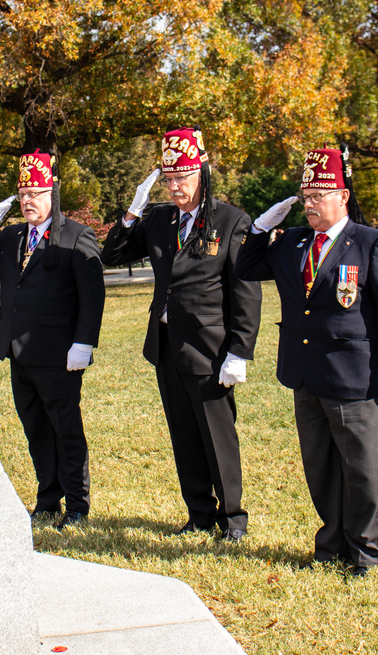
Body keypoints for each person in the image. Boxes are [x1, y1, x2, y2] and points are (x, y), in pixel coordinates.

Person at [235, 145, 378, 577]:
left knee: (362, 470)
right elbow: (246, 267)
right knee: (320, 468)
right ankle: (331, 544)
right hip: (305, 373)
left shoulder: (373, 243)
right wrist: (261, 227)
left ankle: (367, 553)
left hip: (355, 376)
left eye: (320, 195)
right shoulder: (294, 241)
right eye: (306, 195)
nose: (311, 204)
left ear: (343, 197)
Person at [100, 128, 261, 542]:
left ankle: (233, 519)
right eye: (168, 180)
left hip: (210, 348)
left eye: (183, 178)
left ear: (202, 174)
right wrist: (132, 214)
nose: (175, 188)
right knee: (184, 433)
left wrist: (240, 351)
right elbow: (111, 255)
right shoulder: (158, 219)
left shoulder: (230, 220)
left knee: (217, 435)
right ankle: (199, 513)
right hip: (167, 344)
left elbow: (246, 293)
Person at [0, 150, 105, 530]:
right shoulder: (10, 236)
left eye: (36, 193)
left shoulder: (76, 235)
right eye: (23, 194)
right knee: (35, 429)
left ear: (52, 193)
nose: (29, 201)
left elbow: (93, 296)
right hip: (17, 351)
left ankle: (77, 504)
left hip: (58, 354)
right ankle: (48, 498)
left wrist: (85, 343)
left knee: (66, 429)